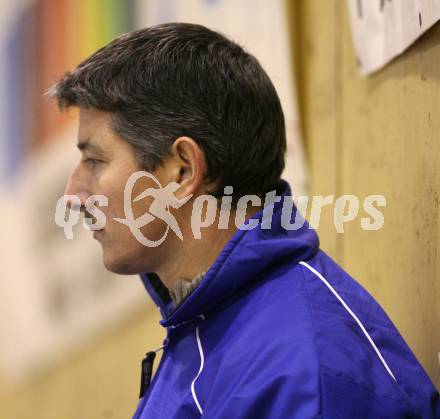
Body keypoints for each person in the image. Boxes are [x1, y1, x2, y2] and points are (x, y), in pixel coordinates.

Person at [50, 23, 440, 418]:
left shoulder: (304, 374)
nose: (74, 195)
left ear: (182, 171)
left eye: (95, 160)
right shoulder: (207, 328)